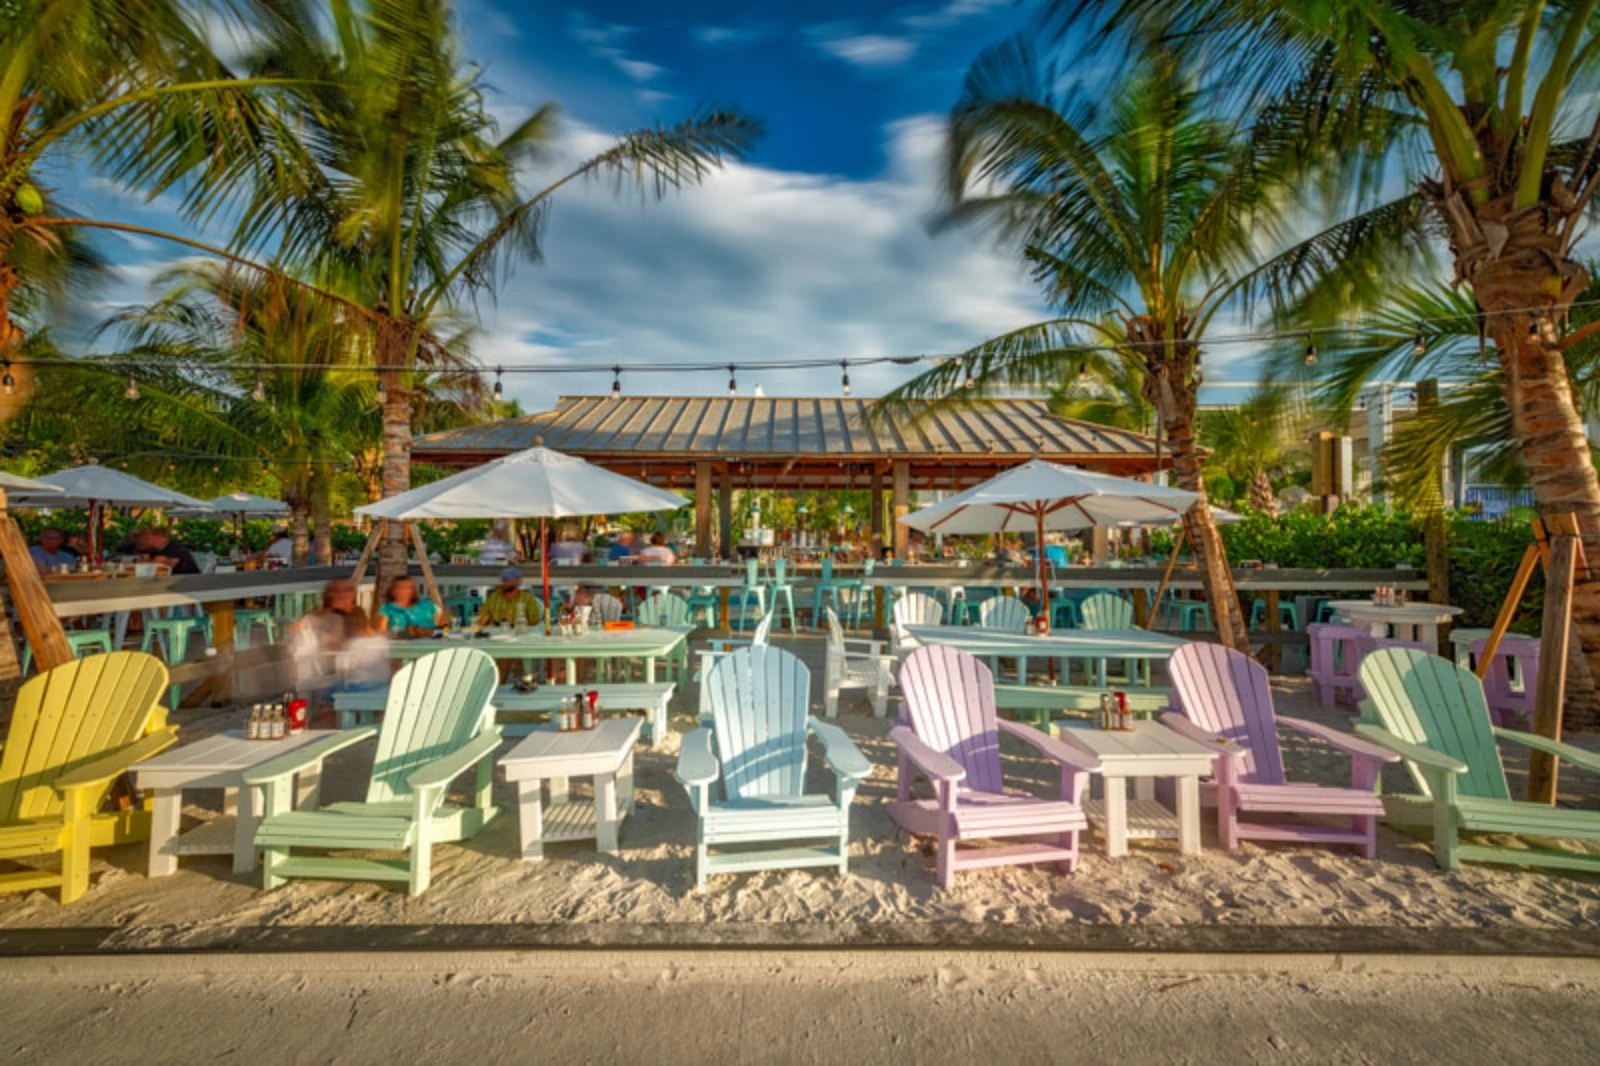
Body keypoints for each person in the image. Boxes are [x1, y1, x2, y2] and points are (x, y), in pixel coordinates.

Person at [376, 575, 448, 636]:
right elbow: (381, 633)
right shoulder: (387, 608)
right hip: (400, 646)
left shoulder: (426, 604)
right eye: (401, 588)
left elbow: (445, 623)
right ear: (393, 591)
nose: (405, 591)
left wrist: (431, 630)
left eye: (409, 588)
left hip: (428, 643)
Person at [478, 567, 544, 628]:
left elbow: (534, 622)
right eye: (503, 580)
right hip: (497, 635)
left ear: (518, 581)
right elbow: (482, 617)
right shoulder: (494, 597)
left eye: (508, 580)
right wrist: (483, 621)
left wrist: (518, 624)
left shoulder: (527, 598)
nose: (505, 583)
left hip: (519, 634)